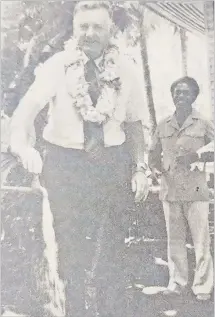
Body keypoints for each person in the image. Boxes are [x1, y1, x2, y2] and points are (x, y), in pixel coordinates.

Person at [9, 2, 149, 316]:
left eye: (97, 27)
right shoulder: (57, 65)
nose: (89, 34)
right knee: (71, 250)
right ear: (74, 30)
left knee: (111, 250)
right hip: (65, 165)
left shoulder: (126, 69)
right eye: (83, 27)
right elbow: (24, 114)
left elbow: (135, 123)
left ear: (111, 30)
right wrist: (24, 147)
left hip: (112, 164)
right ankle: (74, 310)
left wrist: (140, 167)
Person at [148, 76, 214, 301]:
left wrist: (197, 155)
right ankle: (177, 283)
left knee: (200, 241)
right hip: (171, 190)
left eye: (185, 92)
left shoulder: (203, 123)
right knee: (174, 240)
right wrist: (156, 171)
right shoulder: (163, 124)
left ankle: (203, 287)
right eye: (177, 92)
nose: (180, 96)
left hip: (196, 190)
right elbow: (153, 154)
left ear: (194, 96)